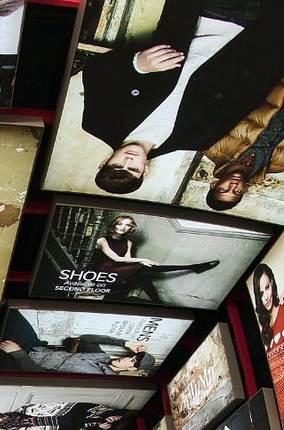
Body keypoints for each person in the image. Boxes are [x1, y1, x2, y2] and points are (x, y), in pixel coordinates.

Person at [79, 2, 284, 195]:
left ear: (104, 162)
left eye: (117, 164)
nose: (129, 160)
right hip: (255, 33)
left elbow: (95, 71)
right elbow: (248, 96)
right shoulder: (195, 138)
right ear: (145, 170)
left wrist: (138, 64)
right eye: (133, 168)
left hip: (205, 12)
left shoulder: (99, 122)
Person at [80, 215, 218, 303]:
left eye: (127, 225)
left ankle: (159, 303)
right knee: (142, 266)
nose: (123, 227)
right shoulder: (102, 240)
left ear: (130, 228)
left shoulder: (128, 242)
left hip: (120, 270)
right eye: (121, 223)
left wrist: (141, 261)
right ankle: (194, 267)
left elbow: (127, 260)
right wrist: (142, 259)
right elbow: (116, 258)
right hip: (104, 272)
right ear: (114, 224)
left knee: (146, 281)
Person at [205, 86, 284, 210]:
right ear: (244, 190)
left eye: (224, 189)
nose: (234, 185)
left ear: (214, 184)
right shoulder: (278, 165)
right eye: (237, 192)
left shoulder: (211, 146)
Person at [0, 334, 155, 375]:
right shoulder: (103, 357)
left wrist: (18, 354)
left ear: (133, 369)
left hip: (22, 363)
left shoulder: (102, 379)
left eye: (132, 361)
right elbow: (86, 339)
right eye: (131, 355)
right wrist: (125, 343)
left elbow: (44, 376)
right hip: (37, 347)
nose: (126, 358)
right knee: (13, 313)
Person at [251, 263, 284, 349]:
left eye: (267, 287)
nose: (266, 297)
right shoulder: (265, 330)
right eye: (261, 294)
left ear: (272, 283)